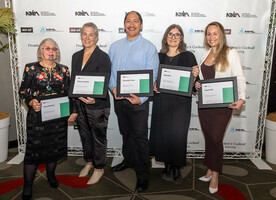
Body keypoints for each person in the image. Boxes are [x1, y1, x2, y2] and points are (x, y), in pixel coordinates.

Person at [19, 38, 78, 200]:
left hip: (57, 119)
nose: (51, 51)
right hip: (36, 119)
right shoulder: (31, 68)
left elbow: (70, 93)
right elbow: (23, 91)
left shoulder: (64, 70)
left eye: (54, 48)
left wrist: (74, 111)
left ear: (57, 52)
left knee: (54, 149)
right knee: (32, 153)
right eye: (47, 48)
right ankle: (28, 185)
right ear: (41, 51)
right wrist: (31, 101)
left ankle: (51, 175)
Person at [108, 11, 159, 192]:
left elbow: (152, 75)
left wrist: (142, 98)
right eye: (128, 21)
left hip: (138, 102)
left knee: (140, 138)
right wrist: (113, 88)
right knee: (126, 133)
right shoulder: (114, 47)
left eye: (135, 21)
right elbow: (110, 73)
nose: (132, 24)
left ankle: (143, 175)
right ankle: (129, 160)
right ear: (124, 24)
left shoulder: (149, 48)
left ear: (141, 25)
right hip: (119, 99)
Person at [195, 22, 246, 194]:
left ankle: (215, 174)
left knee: (216, 139)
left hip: (223, 106)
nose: (211, 37)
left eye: (215, 33)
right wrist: (197, 85)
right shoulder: (204, 55)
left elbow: (239, 77)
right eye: (208, 34)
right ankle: (209, 169)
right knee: (209, 138)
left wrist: (242, 98)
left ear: (221, 35)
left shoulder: (231, 53)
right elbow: (201, 82)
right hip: (205, 106)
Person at [149, 24, 199, 184]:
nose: (173, 37)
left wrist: (195, 77)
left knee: (177, 136)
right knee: (163, 134)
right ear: (166, 37)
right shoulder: (158, 56)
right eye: (170, 34)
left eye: (177, 34)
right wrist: (154, 85)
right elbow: (153, 79)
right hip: (162, 102)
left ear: (181, 38)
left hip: (180, 105)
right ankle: (168, 165)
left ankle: (176, 166)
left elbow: (194, 85)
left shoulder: (188, 56)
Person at [70, 22, 111, 185]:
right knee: (85, 135)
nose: (87, 38)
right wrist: (73, 106)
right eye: (84, 34)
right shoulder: (76, 56)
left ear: (97, 37)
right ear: (81, 36)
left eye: (91, 34)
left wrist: (96, 98)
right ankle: (88, 162)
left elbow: (105, 80)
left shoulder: (103, 57)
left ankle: (99, 168)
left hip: (98, 105)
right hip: (80, 104)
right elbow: (74, 81)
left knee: (98, 137)